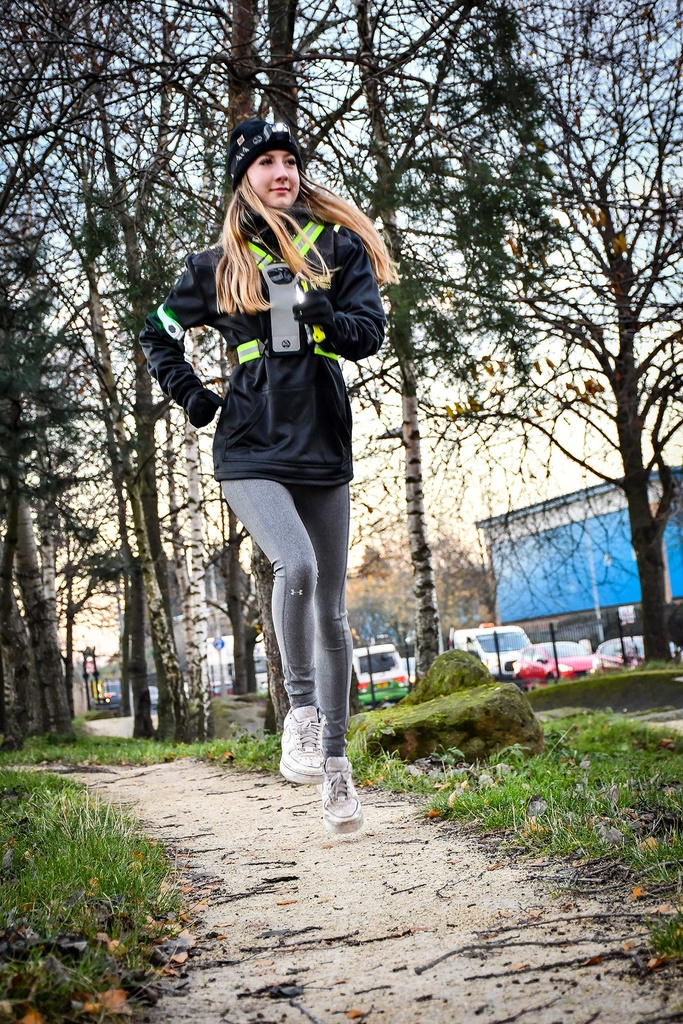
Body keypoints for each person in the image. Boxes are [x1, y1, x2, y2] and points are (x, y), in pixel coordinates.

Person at [140, 119, 398, 834]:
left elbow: (369, 335)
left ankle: (338, 775)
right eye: (265, 162)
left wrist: (323, 312)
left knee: (333, 614)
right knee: (297, 565)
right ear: (243, 177)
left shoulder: (338, 247)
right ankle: (302, 717)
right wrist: (190, 392)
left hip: (322, 438)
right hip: (249, 443)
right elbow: (156, 330)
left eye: (289, 161)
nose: (280, 172)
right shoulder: (214, 265)